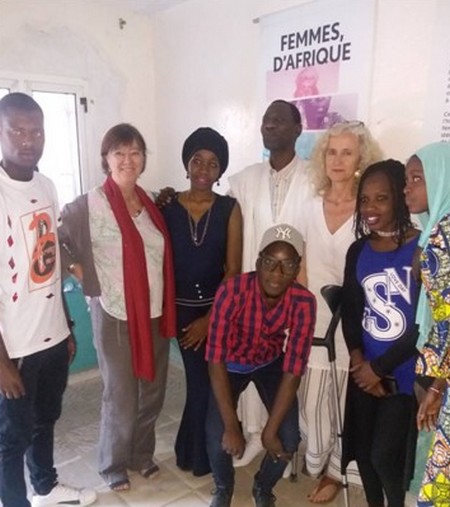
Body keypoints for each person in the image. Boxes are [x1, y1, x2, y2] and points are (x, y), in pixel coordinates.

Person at [58, 123, 176, 491]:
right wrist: (82, 275)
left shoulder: (151, 202)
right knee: (121, 394)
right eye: (119, 153)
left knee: (152, 391)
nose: (128, 160)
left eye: (135, 152)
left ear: (143, 158)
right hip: (114, 312)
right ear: (106, 159)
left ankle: (141, 454)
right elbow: (56, 242)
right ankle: (113, 462)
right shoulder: (88, 204)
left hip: (154, 310)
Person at [0, 92, 96, 507]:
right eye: (17, 131)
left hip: (52, 334)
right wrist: (2, 363)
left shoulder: (47, 186)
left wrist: (67, 326)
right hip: (15, 345)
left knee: (45, 420)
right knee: (11, 437)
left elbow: (50, 260)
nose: (28, 140)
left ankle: (45, 487)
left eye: (36, 131)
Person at [298, 121, 382, 503]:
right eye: (332, 151)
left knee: (347, 400)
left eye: (347, 152)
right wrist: (299, 315)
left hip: (353, 322)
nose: (338, 160)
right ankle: (317, 458)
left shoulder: (368, 210)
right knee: (312, 403)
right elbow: (301, 263)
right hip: (312, 318)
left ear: (360, 158)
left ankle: (337, 471)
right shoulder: (310, 205)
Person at [205, 224, 316, 507]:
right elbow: (215, 358)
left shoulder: (304, 302)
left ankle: (263, 486)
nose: (277, 273)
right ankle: (223, 487)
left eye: (287, 265)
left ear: (297, 268)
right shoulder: (232, 290)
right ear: (258, 262)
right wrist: (232, 425)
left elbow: (293, 369)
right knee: (218, 434)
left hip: (270, 363)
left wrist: (269, 431)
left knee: (288, 438)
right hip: (229, 365)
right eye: (270, 262)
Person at [229, 99, 311, 467]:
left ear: (298, 129)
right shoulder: (246, 179)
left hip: (295, 291)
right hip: (254, 292)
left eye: (279, 119)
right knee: (252, 358)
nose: (270, 125)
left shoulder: (315, 179)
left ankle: (285, 433)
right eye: (266, 119)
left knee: (288, 365)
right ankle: (253, 433)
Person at [161, 127, 242, 476]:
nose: (204, 170)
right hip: (181, 311)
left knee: (212, 383)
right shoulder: (166, 207)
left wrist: (210, 319)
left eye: (212, 163)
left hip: (218, 310)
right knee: (200, 383)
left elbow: (233, 270)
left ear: (220, 170)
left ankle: (192, 452)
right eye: (197, 161)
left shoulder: (229, 208)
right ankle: (198, 455)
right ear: (187, 164)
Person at [341, 160, 420, 507]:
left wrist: (380, 368)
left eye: (381, 198)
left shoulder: (422, 249)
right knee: (362, 453)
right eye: (364, 199)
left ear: (400, 198)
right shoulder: (359, 250)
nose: (370, 208)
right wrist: (360, 362)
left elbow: (423, 325)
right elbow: (351, 310)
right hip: (365, 371)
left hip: (403, 373)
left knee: (385, 457)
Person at [403, 142, 450, 506]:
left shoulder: (443, 239)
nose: (408, 189)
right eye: (407, 180)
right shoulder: (433, 231)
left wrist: (436, 385)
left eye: (417, 179)